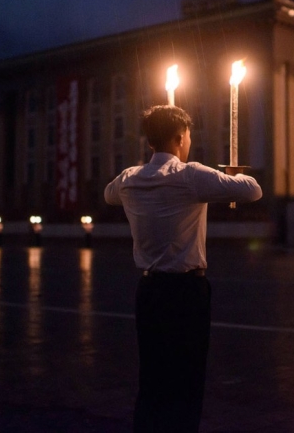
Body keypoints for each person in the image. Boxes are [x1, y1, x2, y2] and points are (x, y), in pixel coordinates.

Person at [104, 105, 262, 432]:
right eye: (188, 136)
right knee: (186, 381)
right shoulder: (191, 176)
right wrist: (231, 174)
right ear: (179, 138)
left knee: (152, 378)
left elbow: (109, 196)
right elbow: (253, 190)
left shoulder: (128, 179)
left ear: (150, 142)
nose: (189, 142)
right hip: (186, 293)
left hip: (148, 291)